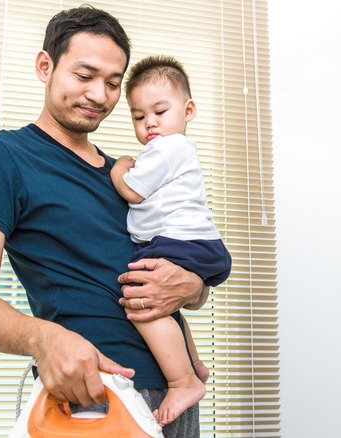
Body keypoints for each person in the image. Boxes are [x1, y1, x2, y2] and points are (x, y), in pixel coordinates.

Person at [0, 6, 207, 437]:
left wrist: (194, 287)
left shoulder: (129, 178)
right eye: (84, 76)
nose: (99, 95)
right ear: (44, 66)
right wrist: (43, 339)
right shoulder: (4, 157)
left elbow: (175, 267)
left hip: (176, 395)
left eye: (112, 83)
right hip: (94, 393)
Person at [110, 56, 232, 426]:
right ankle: (193, 365)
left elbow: (132, 191)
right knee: (168, 306)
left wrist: (119, 167)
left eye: (160, 111)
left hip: (180, 241)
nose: (150, 124)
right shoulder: (172, 149)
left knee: (144, 302)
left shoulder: (169, 147)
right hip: (195, 243)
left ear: (188, 109)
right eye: (138, 116)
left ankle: (182, 382)